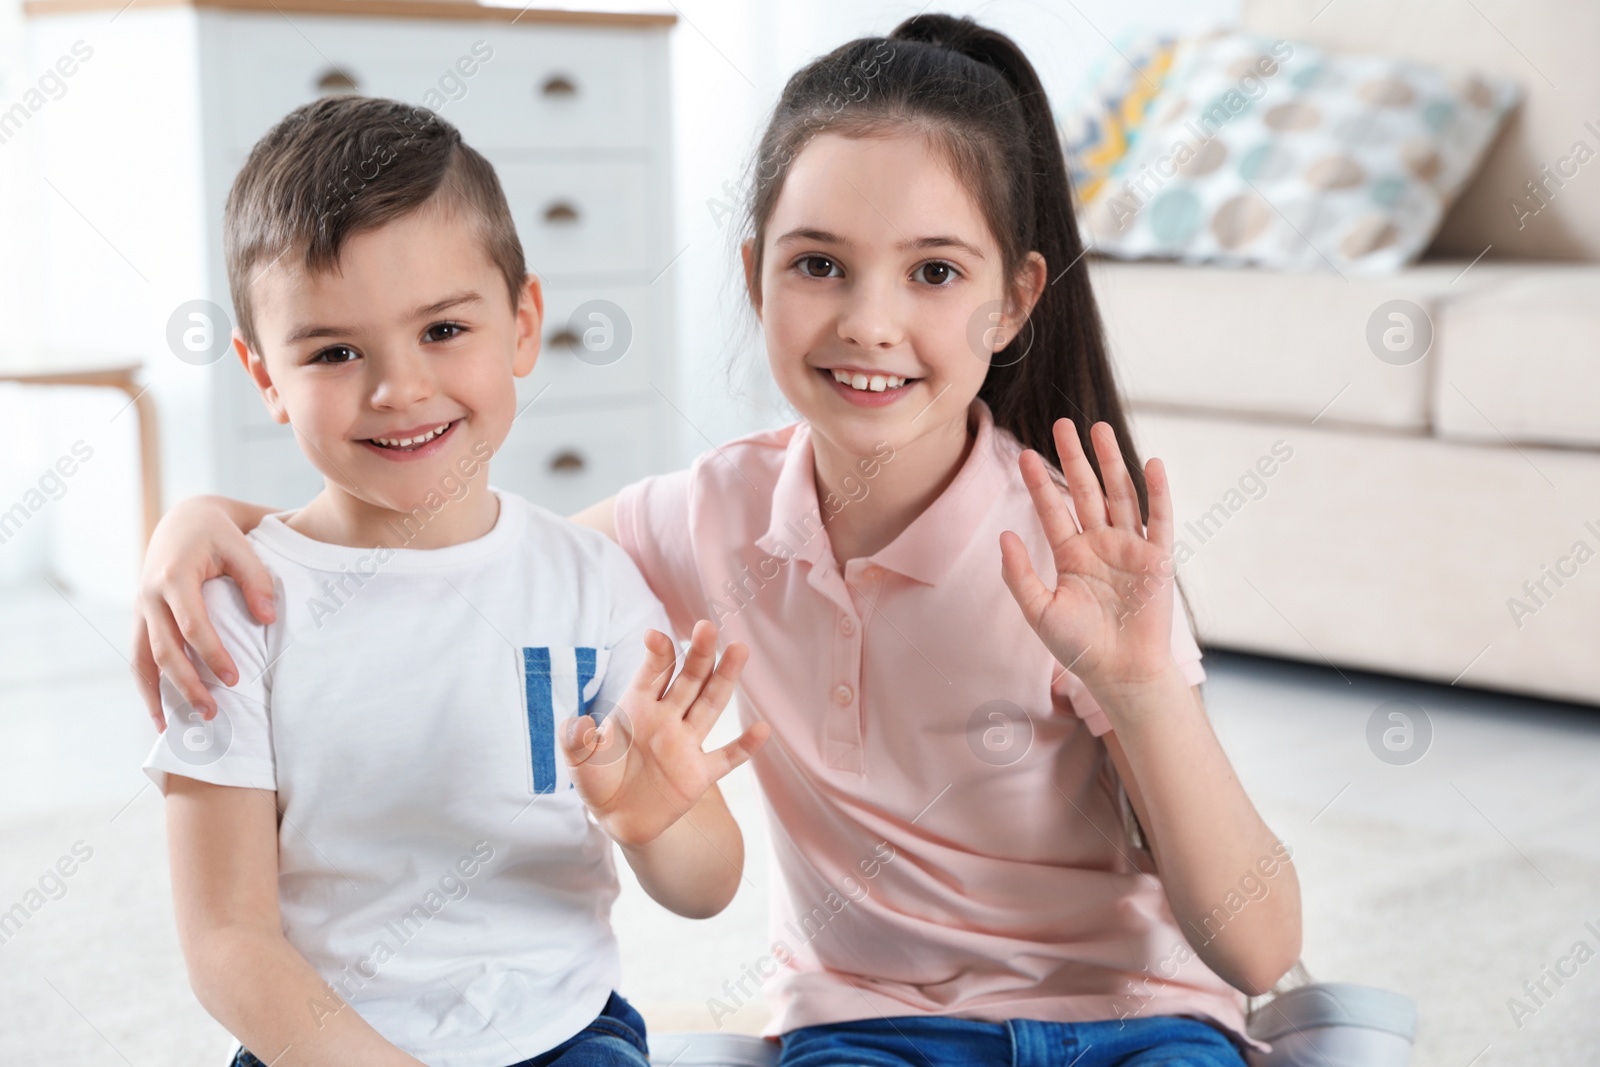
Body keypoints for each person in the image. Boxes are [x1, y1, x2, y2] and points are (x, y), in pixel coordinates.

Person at [134, 16, 1301, 1067]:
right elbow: (444, 547)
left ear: (1011, 301)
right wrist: (205, 523)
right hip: (865, 1020)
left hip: (1136, 1012)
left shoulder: (1083, 549)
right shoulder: (703, 518)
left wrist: (1143, 688)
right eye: (817, 263)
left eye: (935, 271)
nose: (868, 321)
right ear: (753, 277)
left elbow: (1257, 950)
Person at [140, 94, 767, 1067]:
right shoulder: (238, 610)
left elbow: (706, 884)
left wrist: (653, 820)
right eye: (334, 351)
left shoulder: (592, 582)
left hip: (565, 1036)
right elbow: (227, 940)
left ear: (523, 325)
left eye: (442, 330)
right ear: (264, 376)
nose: (399, 388)